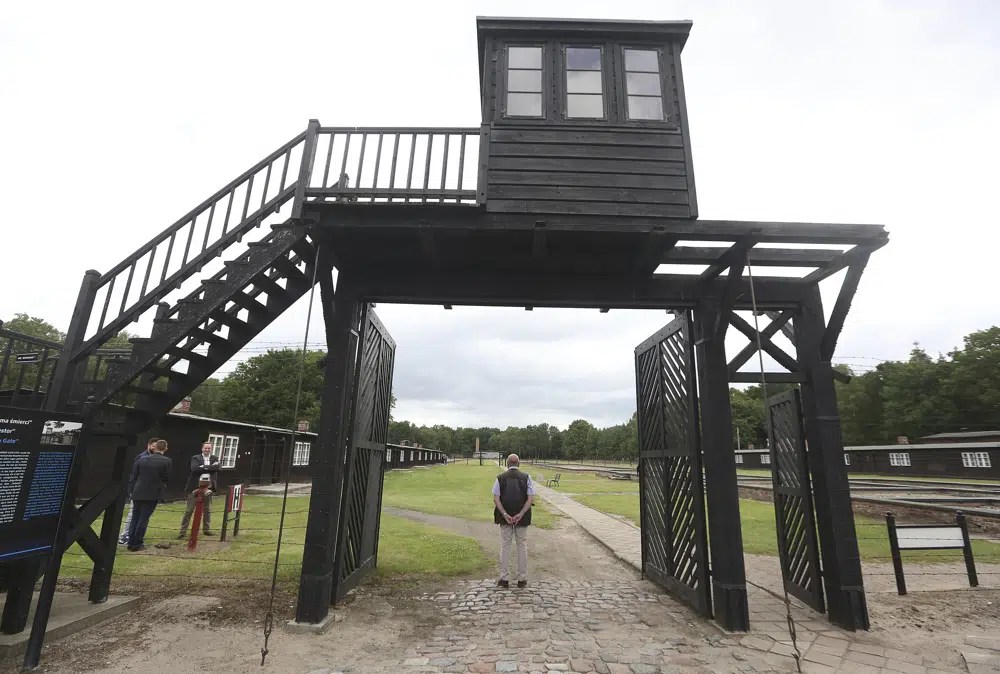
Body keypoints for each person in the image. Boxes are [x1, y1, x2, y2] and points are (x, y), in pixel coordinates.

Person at [492, 453, 534, 588]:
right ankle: (522, 578)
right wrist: (521, 514)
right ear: (519, 464)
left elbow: (496, 498)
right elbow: (530, 498)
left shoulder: (500, 478)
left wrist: (504, 514)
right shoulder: (527, 477)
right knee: (522, 546)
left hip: (505, 517)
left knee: (505, 546)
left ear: (507, 463)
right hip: (522, 516)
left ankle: (504, 578)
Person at [126, 439, 171, 552]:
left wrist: (131, 490)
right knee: (143, 519)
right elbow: (166, 477)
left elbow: (133, 476)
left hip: (138, 492)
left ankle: (130, 542)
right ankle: (137, 543)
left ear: (155, 448)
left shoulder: (141, 459)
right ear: (165, 448)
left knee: (135, 518)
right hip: (152, 493)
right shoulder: (167, 461)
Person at [118, 438, 159, 545]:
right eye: (153, 446)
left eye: (157, 446)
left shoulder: (156, 458)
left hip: (147, 492)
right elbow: (134, 475)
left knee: (142, 515)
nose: (155, 448)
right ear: (149, 445)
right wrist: (131, 490)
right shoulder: (141, 457)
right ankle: (124, 536)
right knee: (133, 513)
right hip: (137, 490)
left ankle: (136, 535)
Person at [178, 441, 220, 538]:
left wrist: (204, 467)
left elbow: (218, 468)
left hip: (208, 487)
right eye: (205, 448)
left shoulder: (215, 458)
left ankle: (206, 530)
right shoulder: (195, 458)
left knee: (207, 509)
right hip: (195, 487)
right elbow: (194, 469)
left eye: (209, 448)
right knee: (189, 510)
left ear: (211, 449)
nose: (207, 450)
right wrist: (210, 468)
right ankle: (182, 532)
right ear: (202, 448)